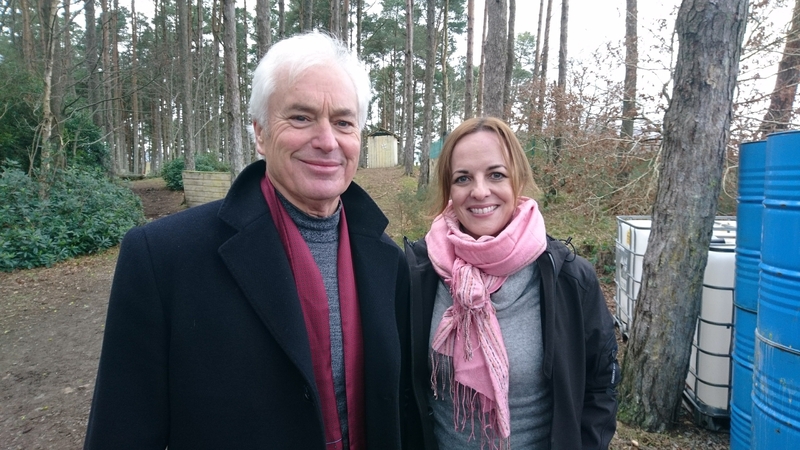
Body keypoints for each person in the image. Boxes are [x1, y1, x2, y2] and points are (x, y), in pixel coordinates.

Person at [84, 31, 411, 450]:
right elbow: (121, 433)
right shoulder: (163, 258)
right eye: (301, 117)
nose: (328, 140)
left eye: (344, 122)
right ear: (259, 132)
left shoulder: (388, 260)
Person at [404, 117, 619, 449]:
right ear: (450, 190)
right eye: (463, 178)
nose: (479, 191)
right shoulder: (419, 273)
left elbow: (599, 386)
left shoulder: (569, 279)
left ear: (517, 181)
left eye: (496, 175)